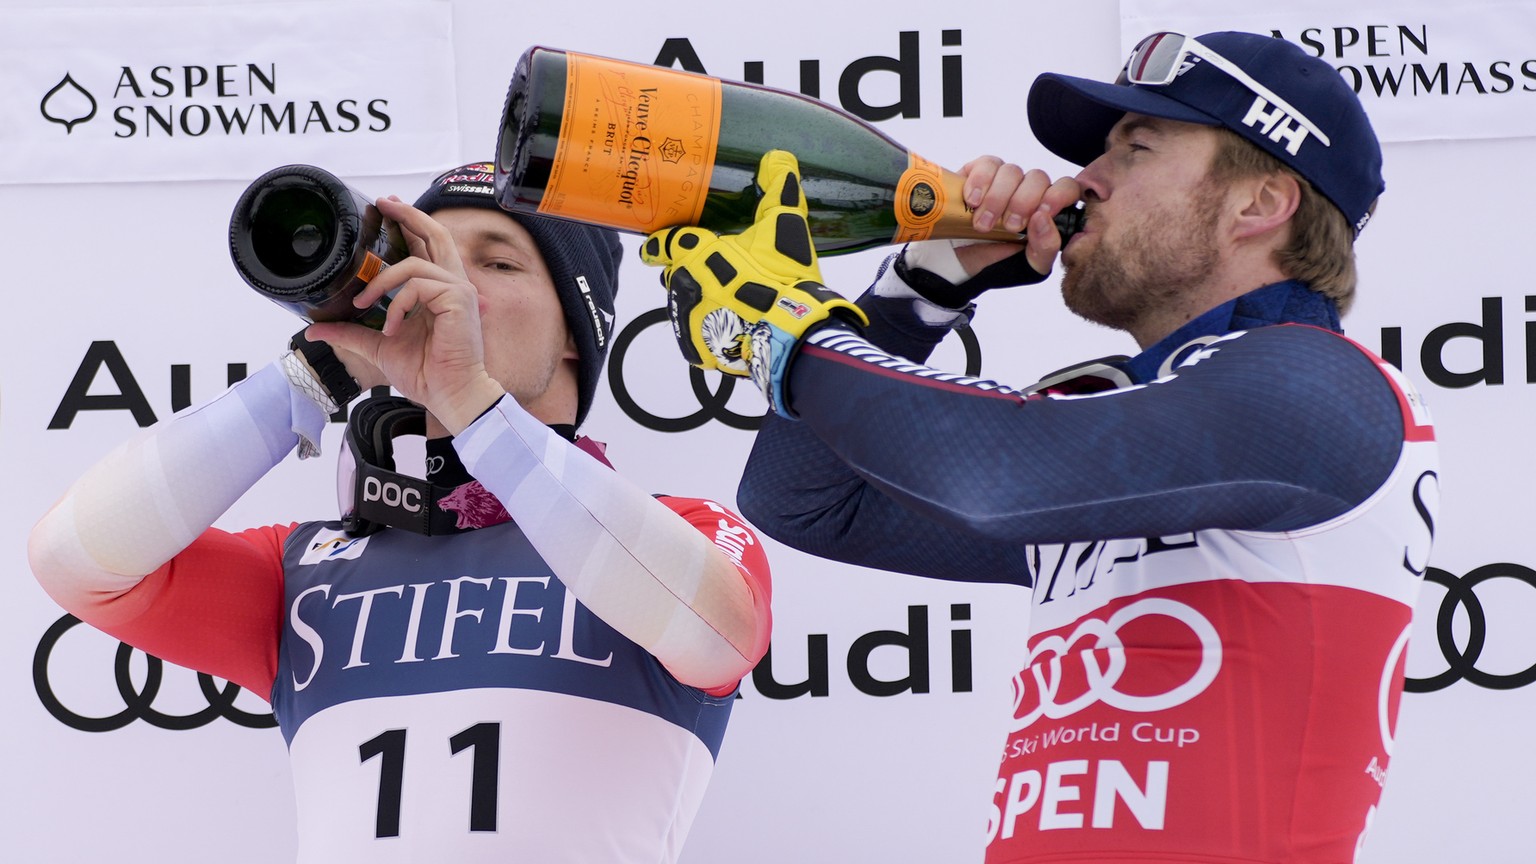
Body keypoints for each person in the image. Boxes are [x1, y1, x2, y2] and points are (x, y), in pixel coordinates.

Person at [640, 31, 1436, 864]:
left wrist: (792, 335)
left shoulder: (1323, 387)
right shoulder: (1160, 422)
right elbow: (809, 502)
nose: (1088, 177)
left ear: (1258, 205)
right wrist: (916, 296)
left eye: (1137, 148)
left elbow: (1000, 479)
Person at [29, 162, 772, 863]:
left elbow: (712, 632)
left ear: (579, 339)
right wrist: (323, 368)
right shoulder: (302, 568)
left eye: (497, 263)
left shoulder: (680, 534)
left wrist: (474, 404)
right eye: (423, 257)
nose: (446, 284)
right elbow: (72, 557)